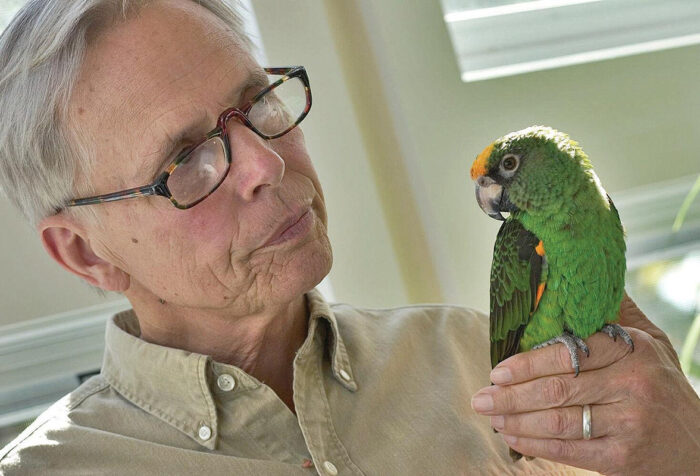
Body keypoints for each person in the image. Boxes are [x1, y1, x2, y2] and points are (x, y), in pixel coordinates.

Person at [0, 1, 698, 474]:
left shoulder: (489, 367)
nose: (268, 165)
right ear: (85, 253)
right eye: (188, 160)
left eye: (259, 104)